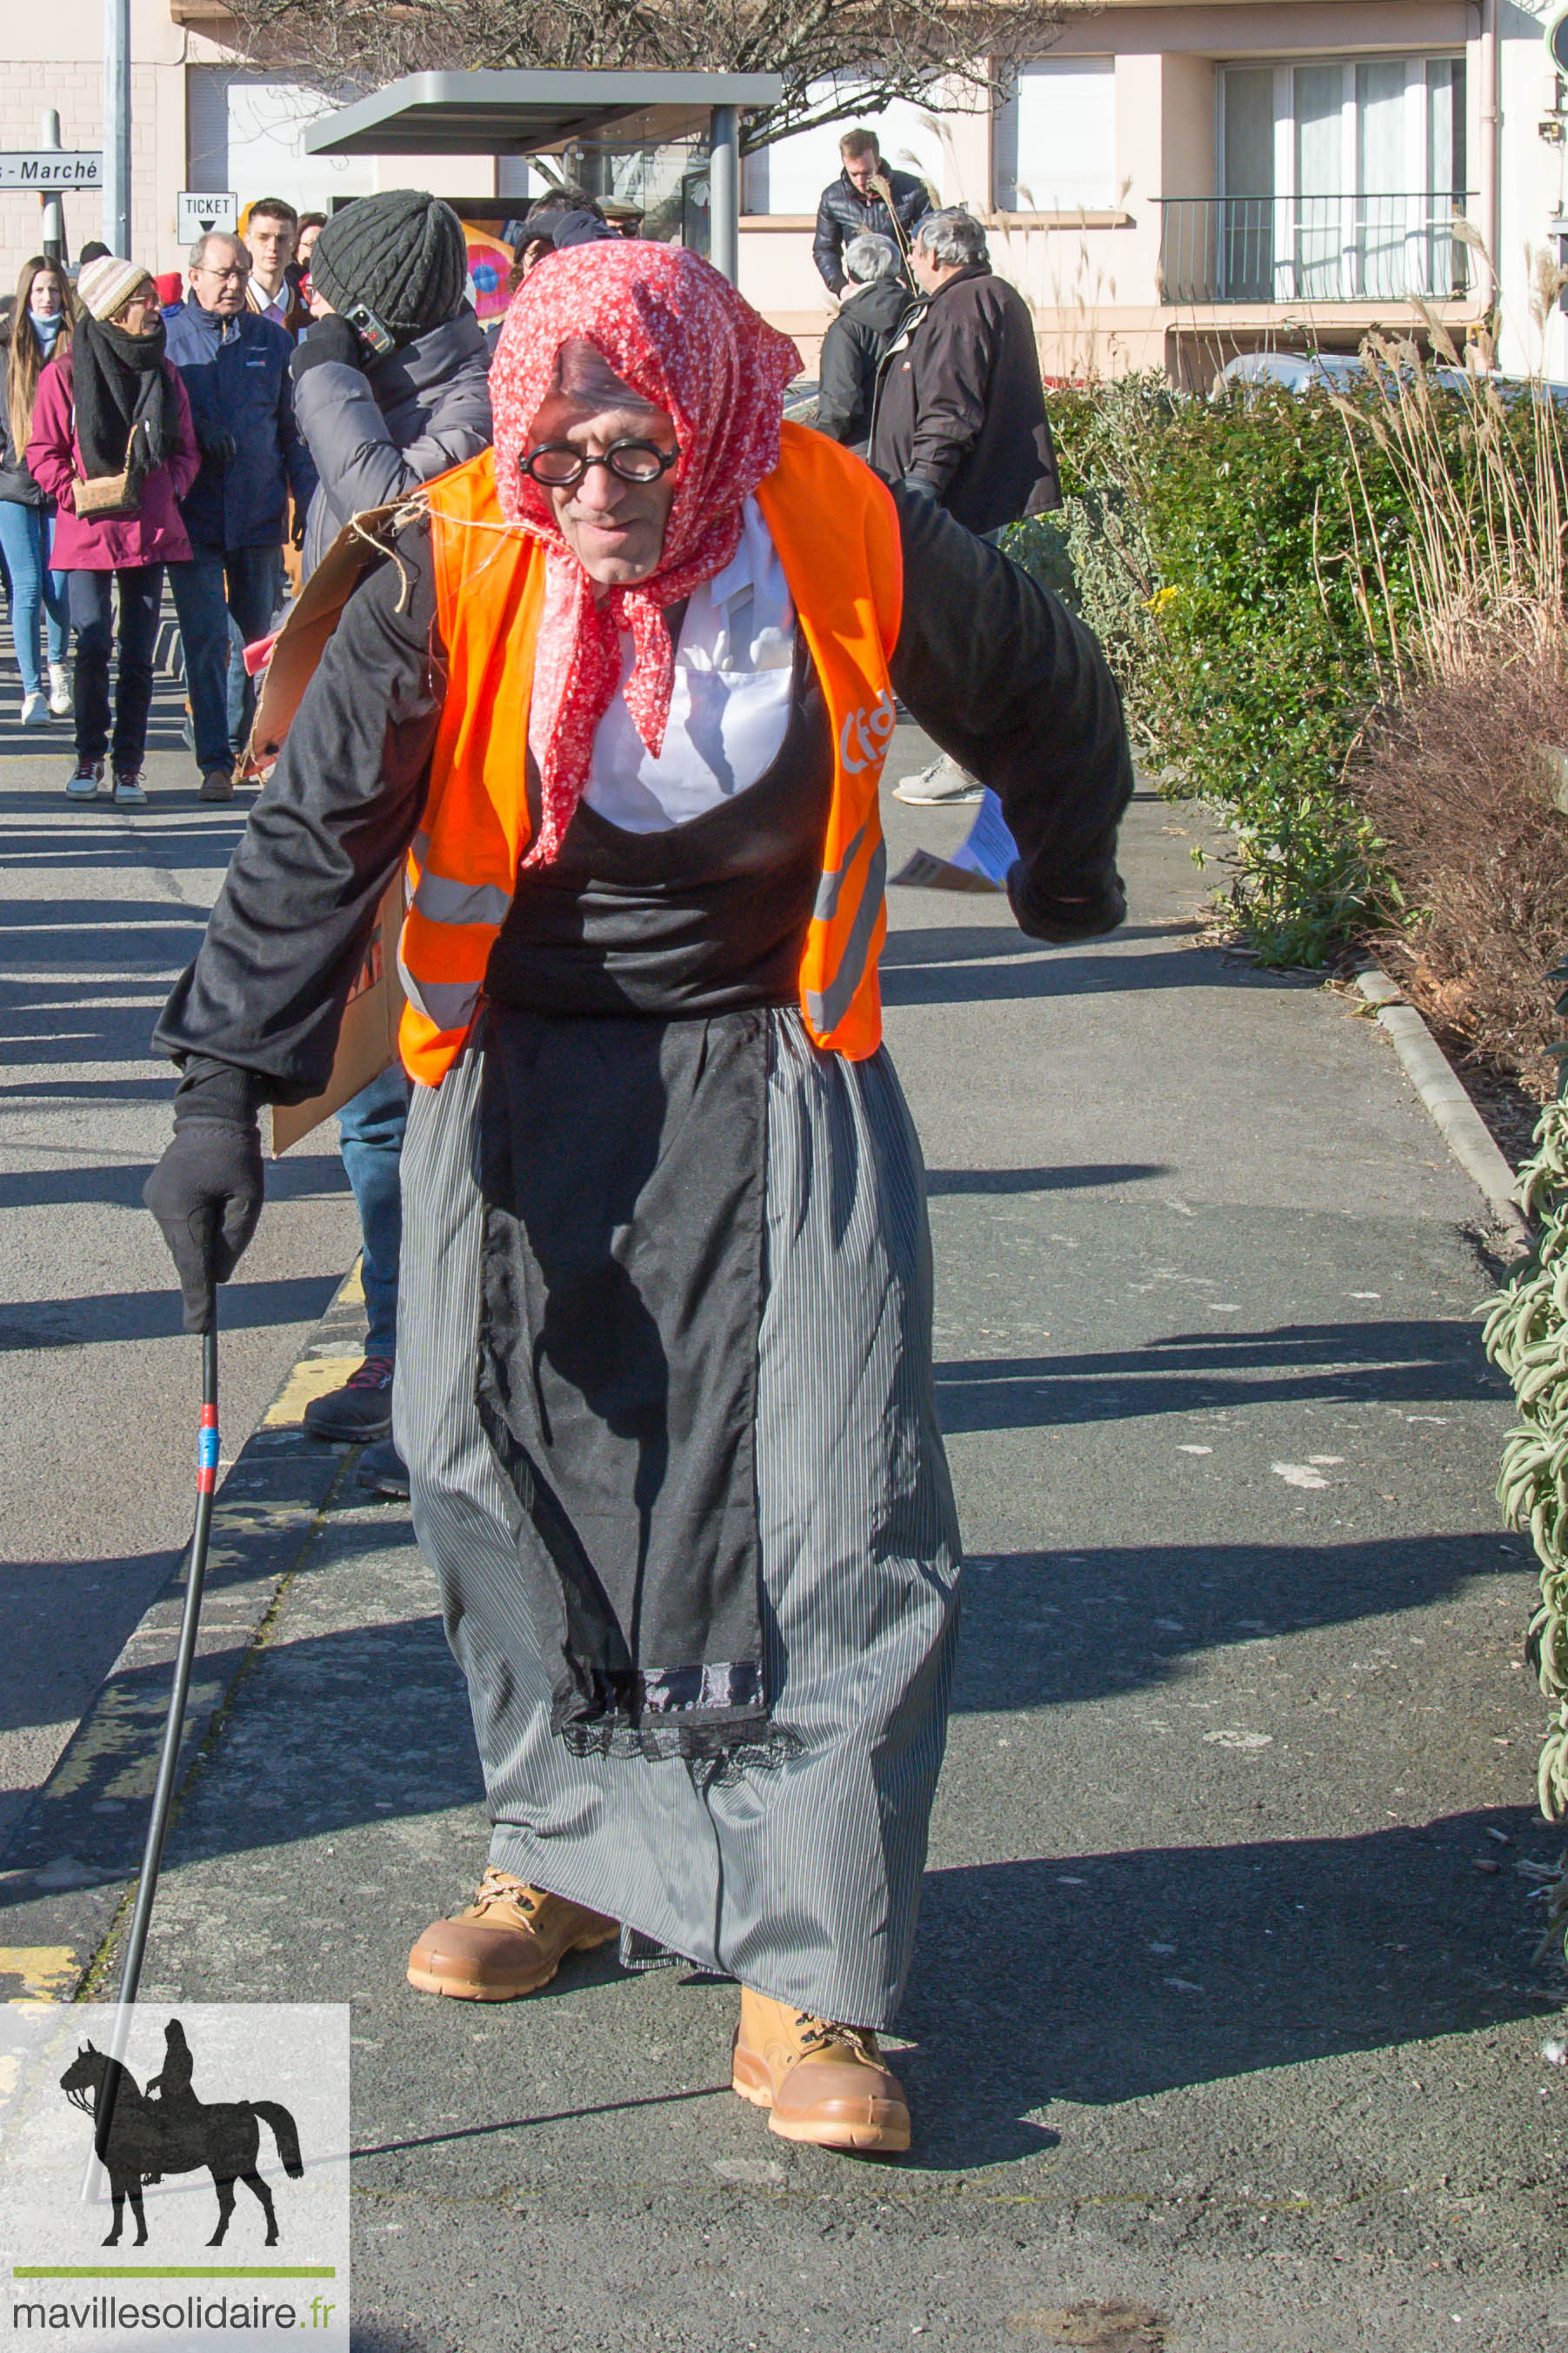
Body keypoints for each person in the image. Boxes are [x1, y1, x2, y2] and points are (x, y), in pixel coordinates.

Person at [143, 241, 1130, 2156]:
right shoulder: (453, 558)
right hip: (510, 1061)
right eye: (556, 452)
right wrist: (214, 1087)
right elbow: (316, 832)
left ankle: (815, 1961)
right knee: (478, 1453)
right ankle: (566, 1853)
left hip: (774, 1053)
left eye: (635, 452)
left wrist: (1064, 861)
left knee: (838, 1500)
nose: (590, 497)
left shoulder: (843, 523)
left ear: (717, 423)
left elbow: (1040, 682)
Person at [288, 189, 494, 1496]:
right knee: (367, 1093)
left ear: (373, 308)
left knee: (443, 1089)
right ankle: (389, 1348)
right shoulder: (364, 376)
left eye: (326, 296)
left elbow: (375, 503)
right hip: (350, 770)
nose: (308, 313)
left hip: (449, 797)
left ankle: (450, 1369)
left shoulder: (470, 398)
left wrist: (324, 380)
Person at [870, 207, 1064, 806]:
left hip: (961, 502)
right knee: (970, 632)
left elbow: (950, 407)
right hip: (977, 499)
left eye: (915, 253)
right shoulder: (984, 297)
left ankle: (969, 760)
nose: (911, 262)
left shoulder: (961, 305)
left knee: (959, 636)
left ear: (932, 254)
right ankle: (994, 756)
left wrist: (922, 487)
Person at [27, 255, 199, 805]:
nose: (155, 307)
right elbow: (42, 451)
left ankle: (129, 765)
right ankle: (87, 756)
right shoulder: (65, 374)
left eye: (153, 297)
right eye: (143, 298)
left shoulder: (164, 372)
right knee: (93, 641)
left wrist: (169, 487)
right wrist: (71, 493)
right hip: (87, 532)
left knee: (138, 655)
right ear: (112, 308)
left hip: (148, 531)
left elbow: (187, 450)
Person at [164, 231, 316, 801]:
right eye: (222, 273)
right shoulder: (170, 341)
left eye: (239, 273)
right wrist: (195, 434)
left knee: (256, 645)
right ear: (194, 276)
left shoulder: (271, 343)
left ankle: (250, 749)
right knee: (207, 641)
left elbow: (291, 434)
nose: (231, 284)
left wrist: (306, 499)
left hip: (257, 516)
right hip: (192, 517)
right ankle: (213, 758)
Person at [0, 255, 76, 725]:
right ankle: (32, 691)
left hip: (63, 481)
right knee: (26, 585)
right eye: (39, 290)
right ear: (26, 293)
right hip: (13, 480)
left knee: (59, 585)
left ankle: (58, 671)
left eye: (54, 290)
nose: (47, 299)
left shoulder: (76, 346)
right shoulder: (8, 345)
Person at [812, 232, 908, 455]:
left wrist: (813, 447)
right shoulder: (922, 315)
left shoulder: (847, 328)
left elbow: (839, 408)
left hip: (862, 454)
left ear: (850, 273)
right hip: (916, 452)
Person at [812, 128, 930, 297]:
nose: (860, 181)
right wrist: (842, 287)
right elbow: (825, 249)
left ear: (878, 162)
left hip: (904, 290)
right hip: (858, 293)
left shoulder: (912, 190)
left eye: (866, 173)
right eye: (853, 174)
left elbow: (927, 241)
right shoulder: (833, 198)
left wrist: (906, 280)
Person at [244, 197, 308, 336]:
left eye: (281, 239)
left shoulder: (308, 310)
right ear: (247, 241)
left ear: (294, 243)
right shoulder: (231, 307)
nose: (273, 247)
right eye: (263, 237)